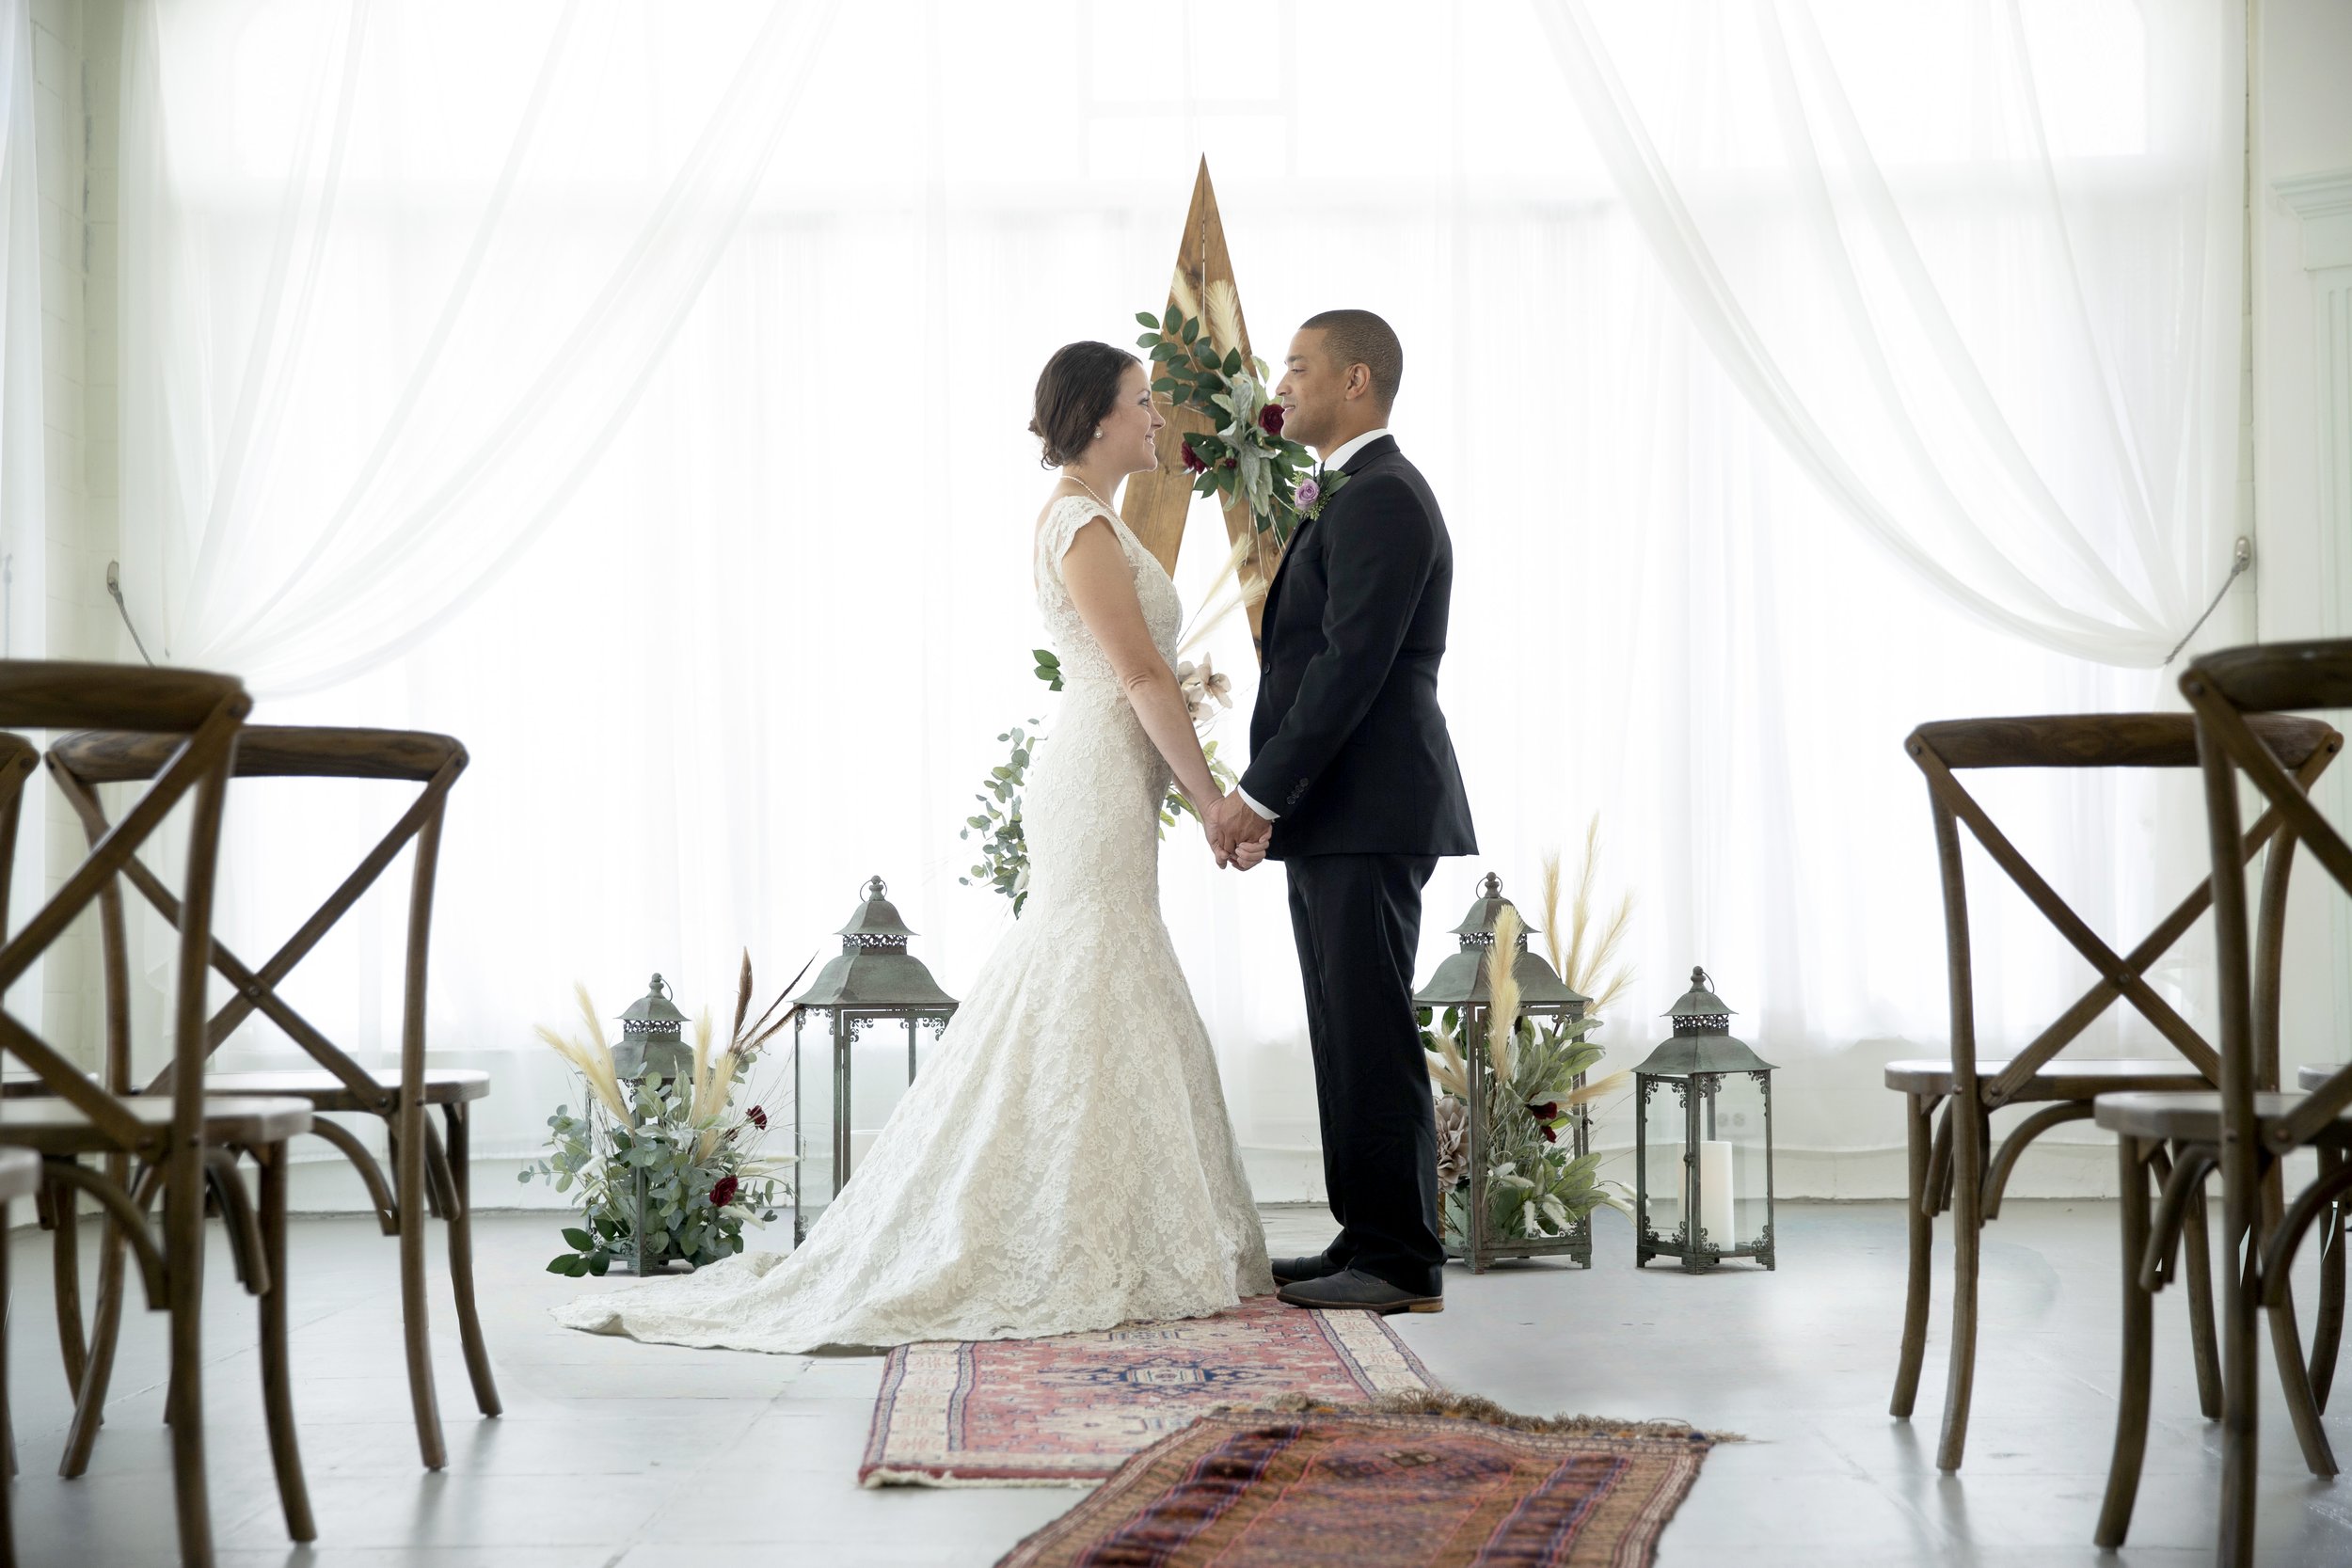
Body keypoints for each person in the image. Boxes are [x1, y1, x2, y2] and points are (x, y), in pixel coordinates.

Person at [550, 341, 1273, 1352]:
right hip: (1096, 779)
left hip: (1112, 776)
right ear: (1099, 417)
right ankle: (1052, 1225)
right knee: (1085, 965)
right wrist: (1209, 802)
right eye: (1143, 401)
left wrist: (1198, 793)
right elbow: (1142, 675)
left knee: (1103, 972)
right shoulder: (1077, 522)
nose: (1158, 418)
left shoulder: (1096, 517)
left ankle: (1101, 1215)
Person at [1205, 309, 1477, 1316]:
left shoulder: (1386, 496)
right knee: (1341, 1025)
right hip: (1338, 808)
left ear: (1355, 380)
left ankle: (1402, 1258)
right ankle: (1366, 1232)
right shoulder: (1349, 492)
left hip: (1371, 805)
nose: (1281, 383)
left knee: (1370, 1027)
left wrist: (1257, 792)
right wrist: (1281, 800)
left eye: (1298, 365)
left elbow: (1348, 665)